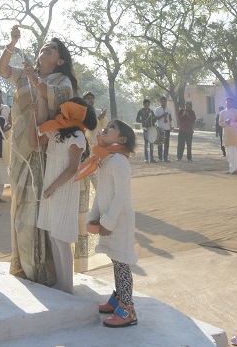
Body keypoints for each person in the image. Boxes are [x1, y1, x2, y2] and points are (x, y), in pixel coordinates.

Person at [0, 25, 77, 286]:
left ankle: (42, 269)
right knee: (20, 205)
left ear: (60, 60)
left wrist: (34, 79)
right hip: (19, 151)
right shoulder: (24, 75)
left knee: (37, 207)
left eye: (52, 49)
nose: (46, 49)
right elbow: (3, 70)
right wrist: (12, 42)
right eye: (44, 46)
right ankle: (23, 265)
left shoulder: (62, 82)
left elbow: (56, 98)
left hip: (43, 150)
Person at [31, 97, 97, 293]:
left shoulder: (77, 136)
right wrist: (33, 116)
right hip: (53, 188)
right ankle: (61, 284)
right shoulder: (55, 130)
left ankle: (66, 286)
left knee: (61, 238)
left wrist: (52, 187)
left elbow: (72, 169)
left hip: (64, 189)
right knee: (53, 236)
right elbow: (34, 142)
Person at [87, 119, 138, 328]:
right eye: (107, 125)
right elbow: (101, 192)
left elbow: (121, 196)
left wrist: (108, 221)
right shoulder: (106, 160)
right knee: (115, 260)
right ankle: (118, 299)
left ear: (122, 139)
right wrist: (94, 215)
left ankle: (128, 310)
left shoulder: (120, 162)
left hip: (120, 221)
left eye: (113, 128)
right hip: (109, 220)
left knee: (122, 263)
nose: (106, 128)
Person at [219, 96, 237, 175]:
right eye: (227, 102)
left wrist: (231, 123)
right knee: (228, 153)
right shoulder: (222, 113)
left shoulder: (236, 112)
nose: (229, 103)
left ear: (232, 103)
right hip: (226, 135)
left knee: (235, 152)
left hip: (234, 135)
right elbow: (220, 123)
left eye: (230, 102)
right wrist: (226, 122)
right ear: (225, 103)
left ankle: (235, 169)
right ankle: (231, 168)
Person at [136, 99, 156, 163]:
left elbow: (154, 119)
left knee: (151, 143)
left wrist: (154, 119)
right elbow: (137, 119)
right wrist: (143, 121)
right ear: (144, 104)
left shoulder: (151, 111)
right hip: (145, 128)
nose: (148, 105)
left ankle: (152, 158)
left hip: (151, 128)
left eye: (149, 103)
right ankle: (146, 158)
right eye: (147, 103)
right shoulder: (141, 111)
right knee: (146, 144)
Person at [153, 96, 172, 162]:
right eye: (162, 101)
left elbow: (170, 119)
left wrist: (169, 118)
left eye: (165, 101)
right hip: (160, 128)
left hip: (167, 128)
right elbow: (156, 118)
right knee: (160, 142)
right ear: (160, 102)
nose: (164, 103)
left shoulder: (168, 109)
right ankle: (160, 157)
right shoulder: (157, 109)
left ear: (166, 102)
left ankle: (165, 157)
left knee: (167, 143)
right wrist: (163, 115)